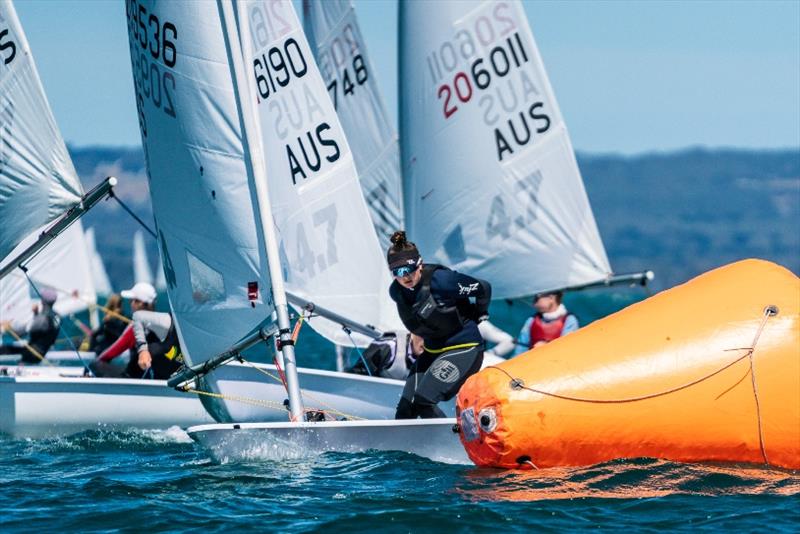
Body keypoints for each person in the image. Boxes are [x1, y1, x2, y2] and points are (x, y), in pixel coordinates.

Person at [387, 231, 491, 419]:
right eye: (398, 272)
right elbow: (417, 317)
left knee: (423, 401)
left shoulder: (442, 280)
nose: (405, 277)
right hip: (433, 352)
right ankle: (407, 447)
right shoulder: (396, 292)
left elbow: (483, 288)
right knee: (405, 409)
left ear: (419, 264)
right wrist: (417, 336)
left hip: (464, 348)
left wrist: (480, 315)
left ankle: (449, 445)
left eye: (408, 269)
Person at [90, 282, 155, 377]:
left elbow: (109, 354)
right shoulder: (160, 322)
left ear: (140, 303)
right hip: (152, 376)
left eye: (132, 301)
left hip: (134, 378)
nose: (130, 304)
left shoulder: (136, 326)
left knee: (95, 365)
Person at [0, 288, 60, 364]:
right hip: (42, 352)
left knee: (3, 349)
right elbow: (43, 330)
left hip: (32, 355)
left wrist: (6, 327)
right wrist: (36, 314)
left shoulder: (41, 320)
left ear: (42, 301)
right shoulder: (57, 316)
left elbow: (19, 334)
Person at [513, 290, 579, 356]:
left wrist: (547, 347)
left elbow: (567, 348)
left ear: (551, 298)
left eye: (537, 299)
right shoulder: (531, 320)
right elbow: (520, 350)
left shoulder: (570, 320)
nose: (534, 304)